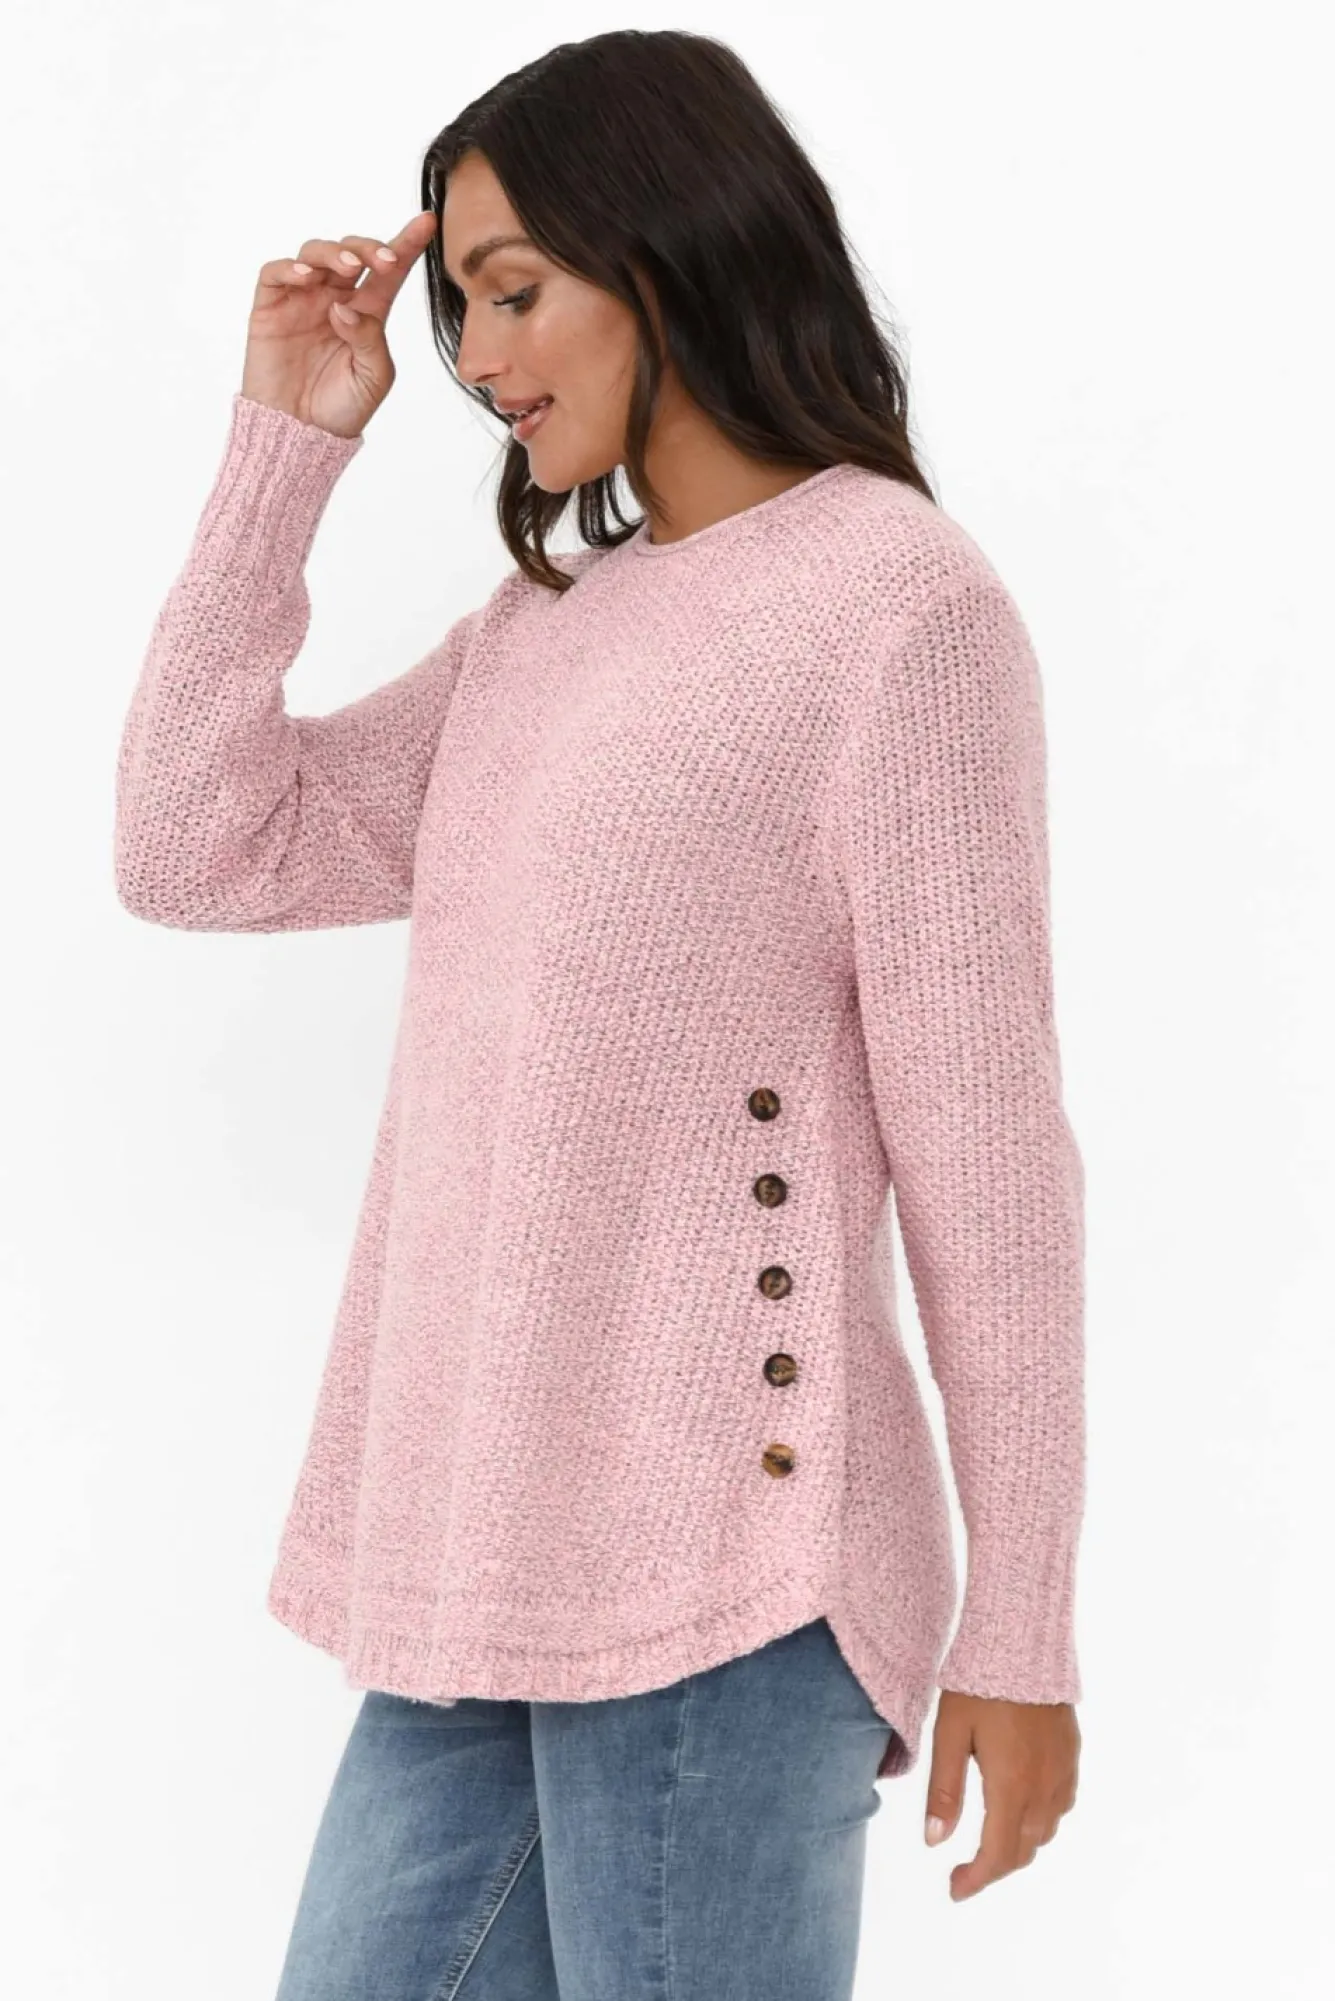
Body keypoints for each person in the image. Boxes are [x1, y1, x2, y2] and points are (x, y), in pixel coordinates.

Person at [114, 27, 1085, 2000]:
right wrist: (283, 449)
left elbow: (987, 1158)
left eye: (513, 292)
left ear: (666, 250)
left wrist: (1024, 1628)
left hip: (734, 1579)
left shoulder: (898, 611)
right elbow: (196, 844)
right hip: (472, 1574)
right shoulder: (543, 627)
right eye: (461, 306)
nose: (476, 360)